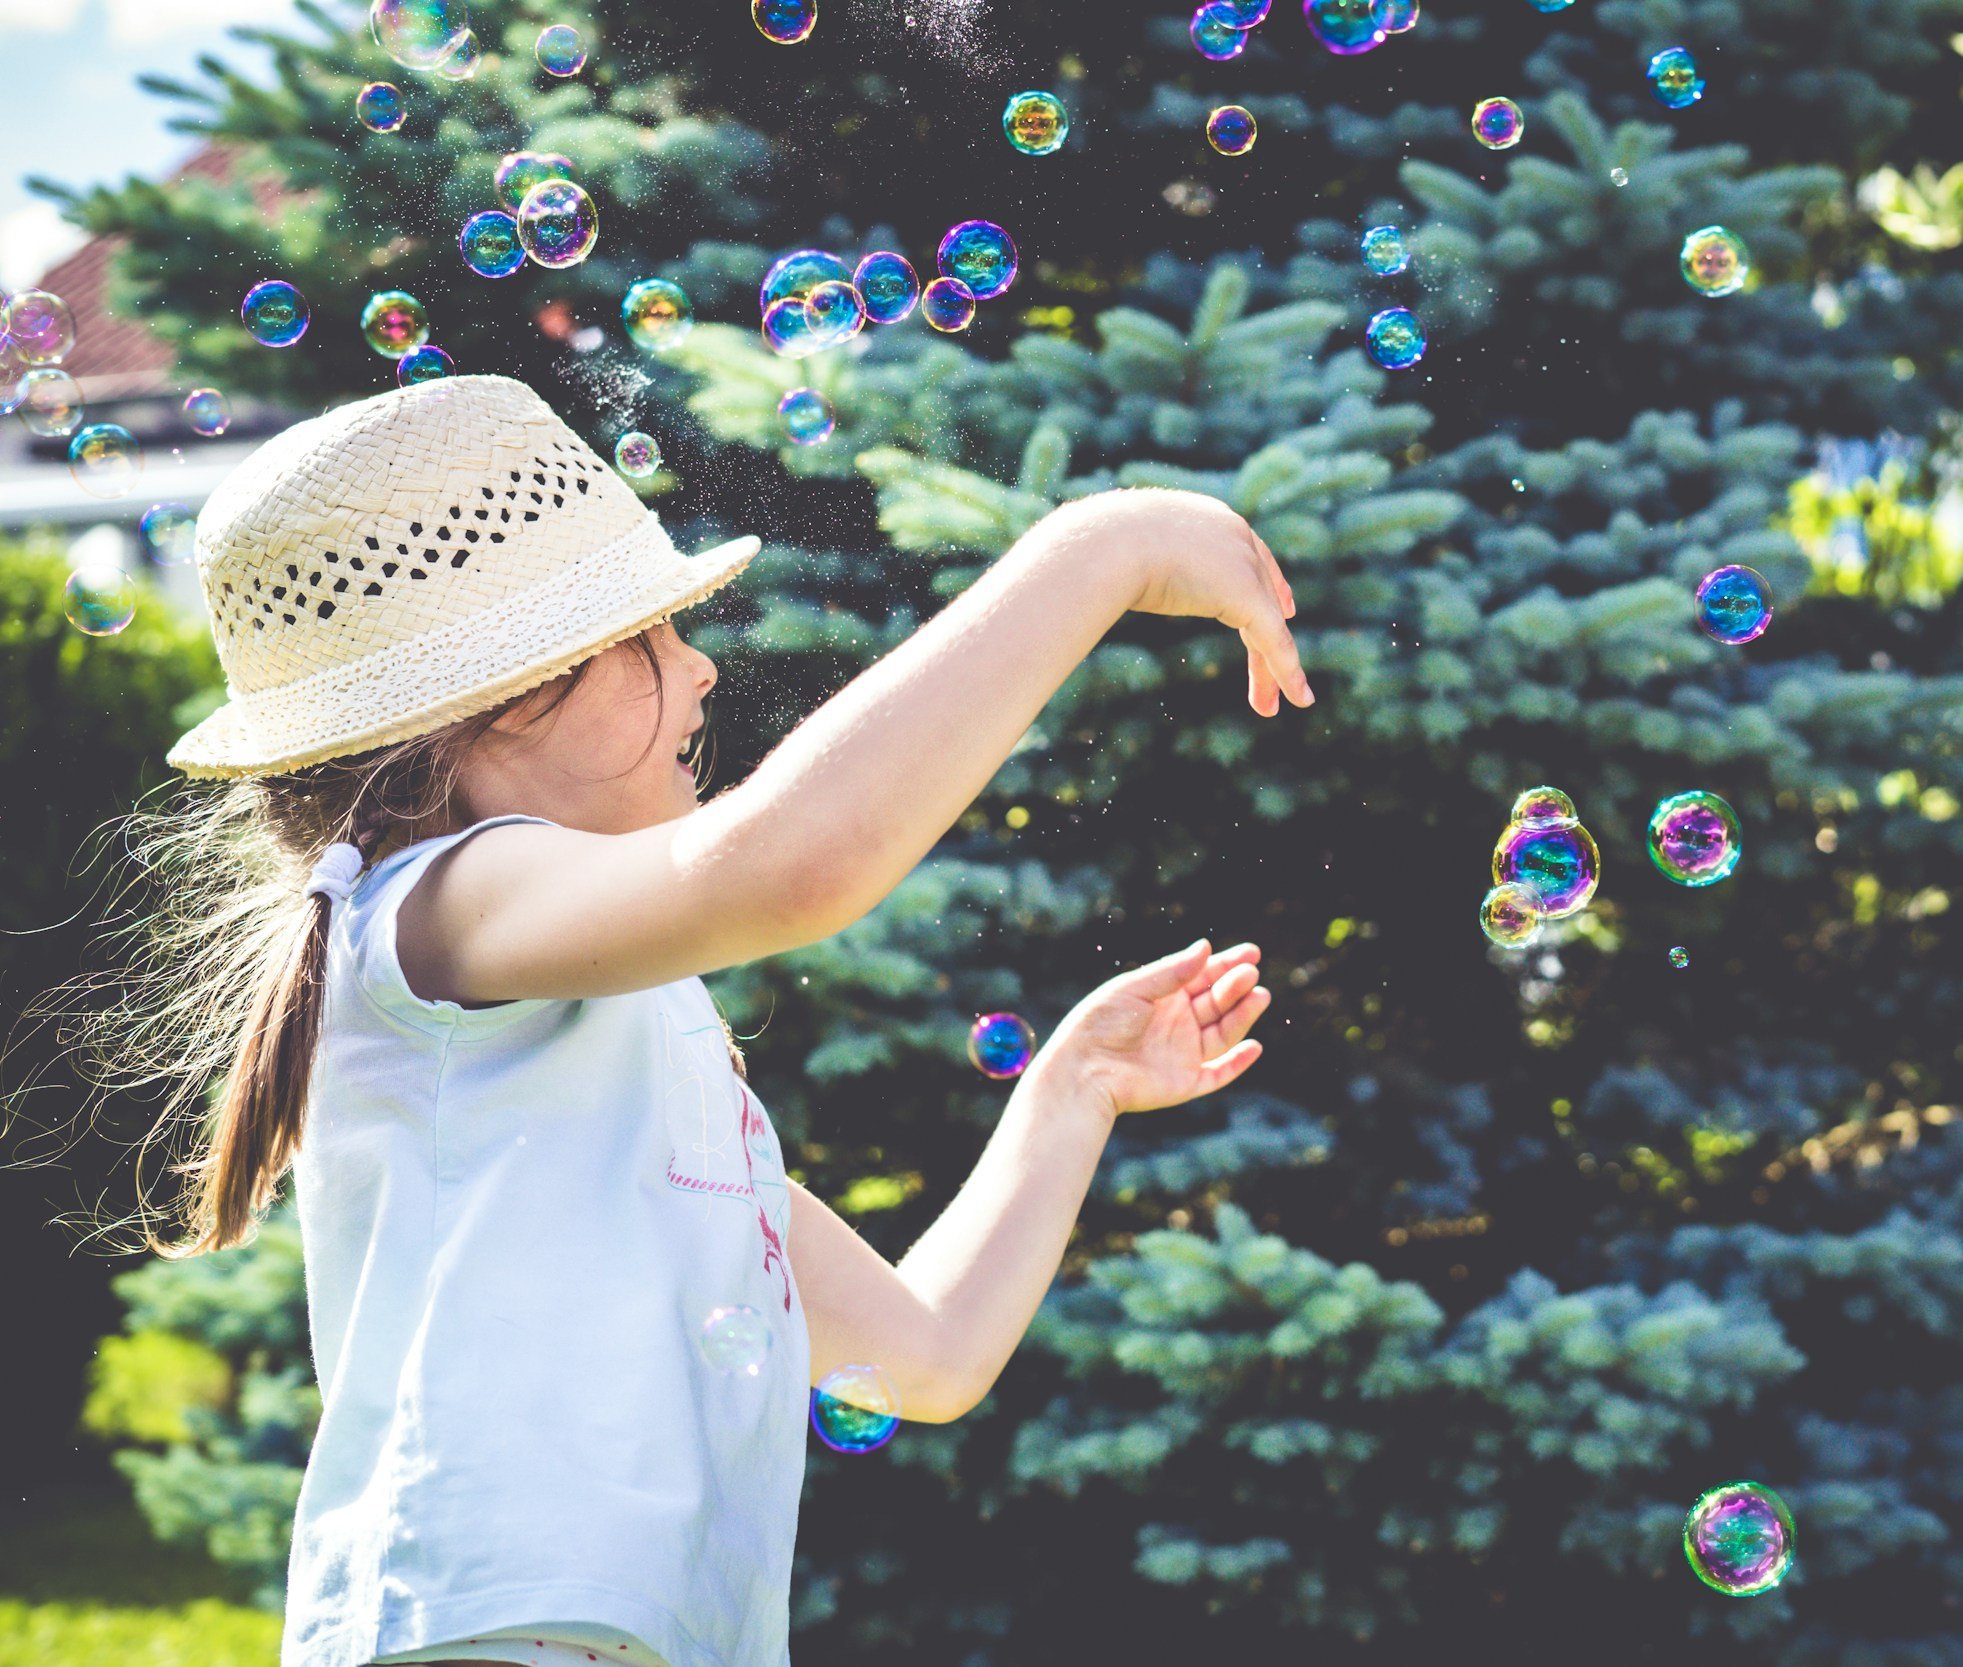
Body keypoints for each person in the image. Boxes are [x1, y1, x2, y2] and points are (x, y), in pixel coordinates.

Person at [115, 375, 1311, 1667]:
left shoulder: (621, 1049)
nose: (703, 667)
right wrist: (1100, 548)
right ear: (515, 693)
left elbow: (925, 1357)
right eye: (654, 635)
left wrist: (1073, 1091)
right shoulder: (435, 902)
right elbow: (790, 866)